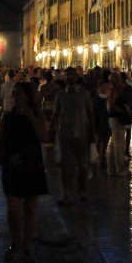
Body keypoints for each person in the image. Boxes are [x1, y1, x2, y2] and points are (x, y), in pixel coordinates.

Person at [0, 82, 48, 263]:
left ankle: (27, 246)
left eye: (19, 94)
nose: (15, 97)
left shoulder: (37, 115)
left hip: (33, 167)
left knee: (30, 210)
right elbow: (0, 142)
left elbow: (44, 137)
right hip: (12, 168)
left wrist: (31, 116)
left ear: (28, 96)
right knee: (14, 211)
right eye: (14, 94)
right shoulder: (7, 118)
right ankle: (16, 242)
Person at [50, 67, 94, 206]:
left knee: (83, 166)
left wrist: (92, 132)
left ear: (77, 77)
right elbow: (56, 113)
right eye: (67, 75)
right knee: (67, 166)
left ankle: (82, 190)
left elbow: (90, 114)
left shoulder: (84, 94)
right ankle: (67, 194)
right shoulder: (61, 95)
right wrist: (51, 130)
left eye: (71, 75)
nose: (69, 77)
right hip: (65, 134)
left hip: (81, 133)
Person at [106, 71, 132, 176]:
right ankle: (119, 169)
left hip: (115, 117)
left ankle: (111, 169)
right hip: (116, 117)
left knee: (114, 143)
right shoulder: (113, 90)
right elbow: (112, 105)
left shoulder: (115, 89)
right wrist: (124, 112)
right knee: (119, 143)